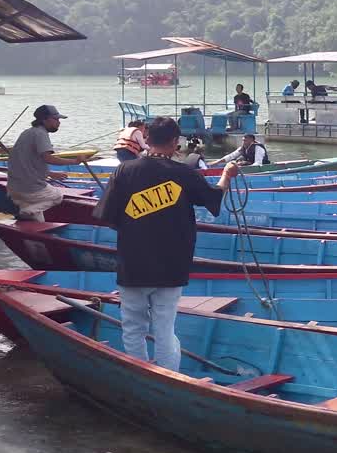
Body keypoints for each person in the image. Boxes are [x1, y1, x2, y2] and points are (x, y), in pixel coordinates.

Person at [92, 117, 238, 371]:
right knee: (165, 329)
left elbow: (108, 217)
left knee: (133, 327)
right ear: (174, 142)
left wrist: (134, 233)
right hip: (172, 266)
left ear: (146, 140)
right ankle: (169, 376)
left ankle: (139, 373)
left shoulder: (124, 171)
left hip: (133, 264)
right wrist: (227, 175)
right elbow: (213, 199)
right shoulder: (184, 174)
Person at [7, 105, 93, 221]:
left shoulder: (27, 133)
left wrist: (49, 173)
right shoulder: (41, 134)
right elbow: (48, 158)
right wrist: (75, 161)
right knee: (57, 196)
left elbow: (29, 162)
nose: (59, 123)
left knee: (37, 218)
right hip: (29, 189)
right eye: (56, 119)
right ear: (44, 119)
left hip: (13, 187)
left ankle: (29, 225)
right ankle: (28, 211)